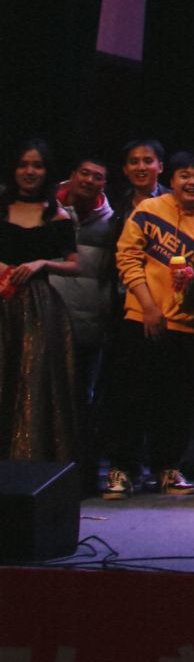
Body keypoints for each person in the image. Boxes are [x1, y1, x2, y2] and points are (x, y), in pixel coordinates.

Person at [107, 149, 194, 496]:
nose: (192, 182)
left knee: (176, 403)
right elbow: (127, 257)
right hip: (141, 318)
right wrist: (148, 306)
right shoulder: (149, 209)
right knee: (131, 397)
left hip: (187, 326)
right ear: (171, 179)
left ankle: (168, 468)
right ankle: (122, 469)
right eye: (185, 175)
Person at [2, 138, 80, 462]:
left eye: (37, 165)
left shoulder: (57, 215)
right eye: (23, 165)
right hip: (1, 300)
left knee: (33, 380)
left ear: (47, 172)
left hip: (38, 306)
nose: (29, 171)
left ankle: (29, 459)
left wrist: (42, 263)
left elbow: (76, 265)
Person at [50, 155, 119, 493]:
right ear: (72, 175)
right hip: (47, 318)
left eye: (98, 177)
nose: (90, 181)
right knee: (44, 397)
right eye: (85, 173)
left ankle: (82, 479)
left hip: (90, 323)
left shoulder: (111, 222)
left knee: (82, 403)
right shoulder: (47, 212)